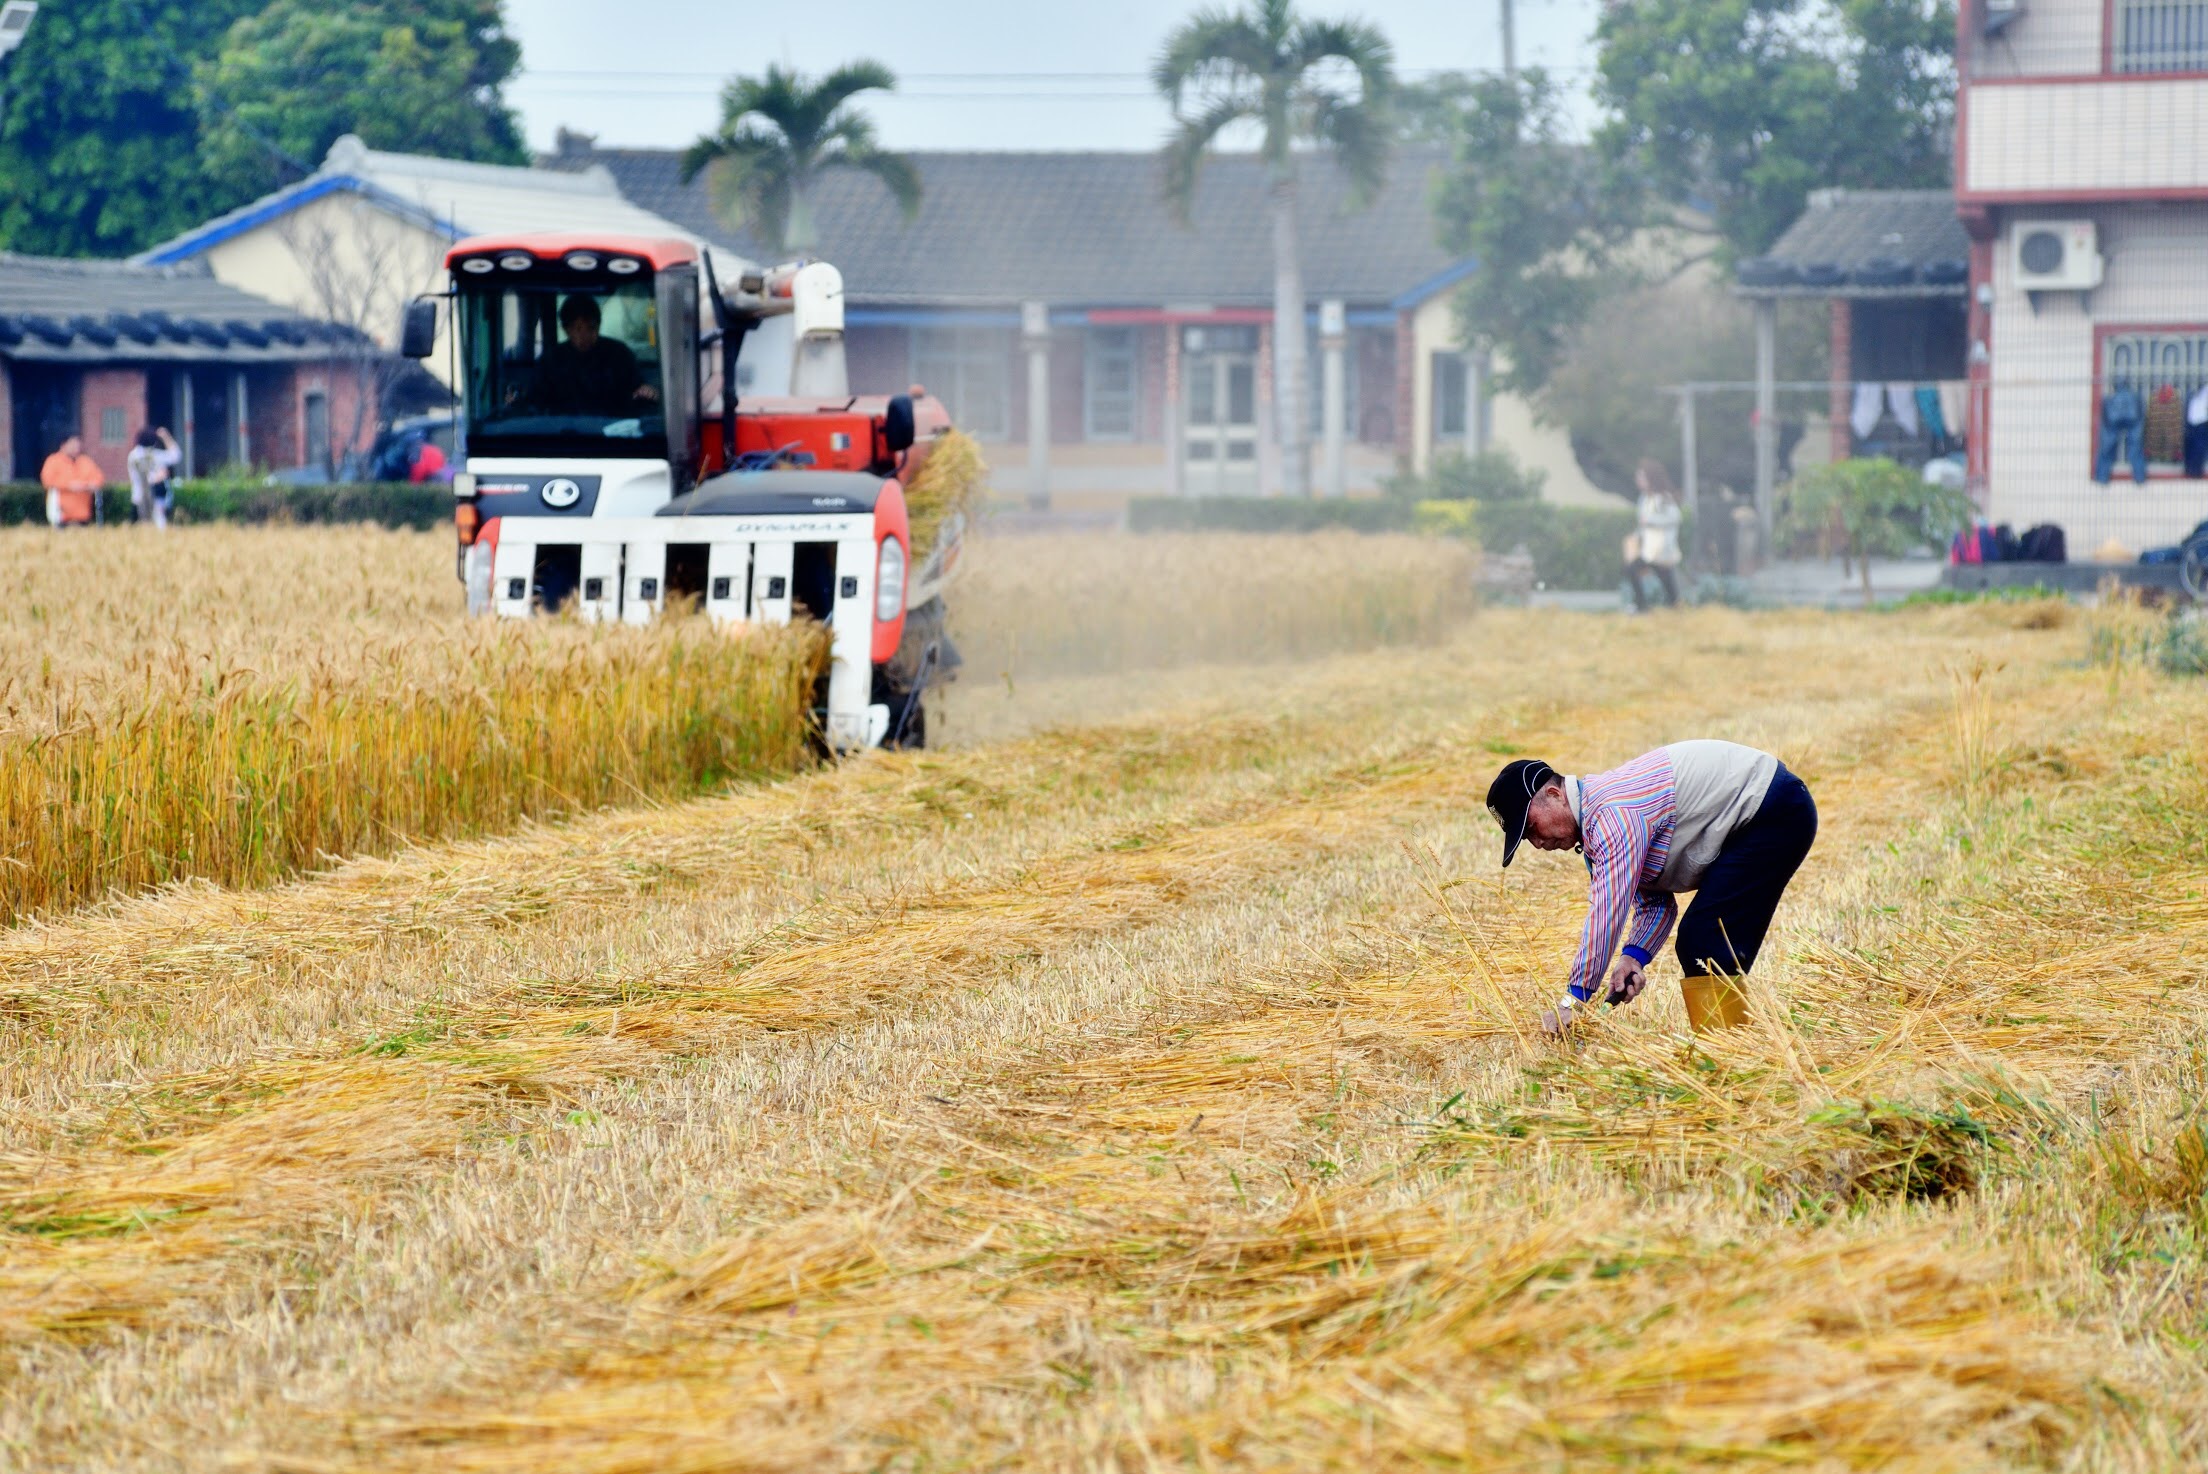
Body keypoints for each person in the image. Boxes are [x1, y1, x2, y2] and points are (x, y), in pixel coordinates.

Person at [1485, 741, 1818, 1036]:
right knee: (1704, 940)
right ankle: (1730, 1047)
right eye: (1527, 840)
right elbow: (1656, 904)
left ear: (1555, 795)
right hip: (1762, 815)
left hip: (1775, 811)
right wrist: (1633, 958)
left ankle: (1730, 1052)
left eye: (1531, 828)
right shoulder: (1597, 827)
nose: (1538, 843)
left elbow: (1607, 913)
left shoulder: (1612, 815)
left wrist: (1574, 1000)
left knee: (1705, 941)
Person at [532, 296, 658, 417]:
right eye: (578, 328)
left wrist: (645, 391)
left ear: (598, 326)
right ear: (566, 329)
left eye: (591, 328)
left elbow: (638, 389)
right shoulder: (551, 360)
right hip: (563, 432)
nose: (585, 335)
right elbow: (537, 402)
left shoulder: (619, 354)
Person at [1626, 459, 1683, 611]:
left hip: (1661, 548)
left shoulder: (1663, 499)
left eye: (1642, 477)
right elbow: (1642, 524)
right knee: (1663, 579)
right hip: (1649, 547)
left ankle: (1644, 606)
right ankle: (1670, 607)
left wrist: (1651, 521)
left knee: (1635, 570)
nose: (1638, 481)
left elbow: (1674, 518)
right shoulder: (1645, 499)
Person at [39, 434, 104, 528]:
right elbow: (47, 480)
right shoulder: (53, 461)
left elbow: (98, 477)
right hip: (61, 514)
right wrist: (69, 485)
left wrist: (90, 485)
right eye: (73, 445)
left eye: (78, 445)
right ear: (63, 445)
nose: (76, 448)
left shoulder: (85, 461)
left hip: (83, 514)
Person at [126, 426, 182, 528]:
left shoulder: (132, 455)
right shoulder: (154, 456)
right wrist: (166, 437)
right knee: (158, 528)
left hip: (137, 498)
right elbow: (176, 455)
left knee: (136, 533)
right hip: (152, 500)